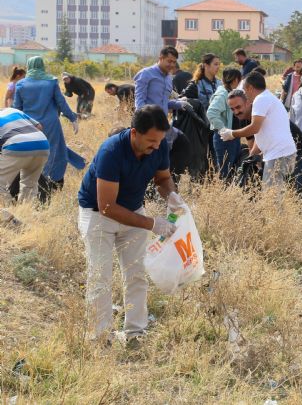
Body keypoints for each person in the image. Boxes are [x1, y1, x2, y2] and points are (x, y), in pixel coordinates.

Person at [77, 105, 184, 343]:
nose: (156, 147)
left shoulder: (159, 146)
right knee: (100, 276)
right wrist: (151, 223)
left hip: (133, 210)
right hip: (98, 216)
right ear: (134, 132)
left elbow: (163, 178)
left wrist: (171, 195)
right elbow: (107, 206)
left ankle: (136, 333)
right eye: (151, 141)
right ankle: (99, 337)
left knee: (136, 273)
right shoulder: (111, 151)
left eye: (159, 142)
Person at [13, 56, 84, 191]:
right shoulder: (51, 82)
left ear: (29, 66)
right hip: (51, 125)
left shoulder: (21, 84)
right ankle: (52, 184)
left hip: (30, 125)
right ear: (42, 66)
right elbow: (61, 103)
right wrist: (72, 118)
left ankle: (33, 184)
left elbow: (17, 108)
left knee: (32, 154)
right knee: (54, 152)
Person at [220, 72, 297, 191]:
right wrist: (252, 155)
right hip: (280, 154)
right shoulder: (266, 98)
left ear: (250, 88)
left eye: (245, 91)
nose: (245, 95)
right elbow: (260, 132)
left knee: (272, 199)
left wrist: (232, 134)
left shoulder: (260, 100)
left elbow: (254, 127)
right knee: (273, 195)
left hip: (279, 155)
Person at [134, 47, 192, 147]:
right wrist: (145, 121)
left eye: (174, 62)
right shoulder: (146, 73)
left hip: (162, 124)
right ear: (161, 58)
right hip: (148, 123)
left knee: (182, 144)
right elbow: (139, 100)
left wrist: (179, 103)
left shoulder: (169, 78)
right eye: (169, 61)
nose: (172, 65)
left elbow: (164, 102)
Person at [0, 107, 49, 204]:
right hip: (42, 144)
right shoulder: (13, 110)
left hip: (16, 145)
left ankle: (8, 215)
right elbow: (39, 126)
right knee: (29, 185)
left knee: (1, 186)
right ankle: (26, 213)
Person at [206, 68, 243, 180]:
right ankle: (223, 194)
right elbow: (211, 113)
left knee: (232, 170)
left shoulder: (230, 93)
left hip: (233, 136)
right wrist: (223, 130)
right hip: (225, 139)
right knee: (225, 173)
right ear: (236, 80)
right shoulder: (223, 94)